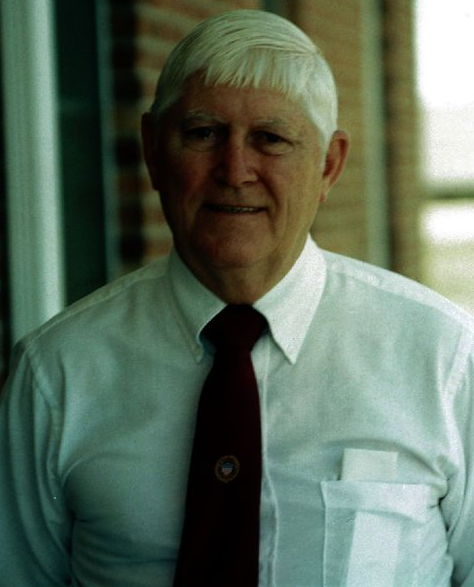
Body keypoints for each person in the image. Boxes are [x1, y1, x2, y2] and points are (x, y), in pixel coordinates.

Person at [1, 8, 473, 587]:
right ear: (152, 150)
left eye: (270, 139)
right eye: (203, 133)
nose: (235, 170)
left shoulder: (442, 357)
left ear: (329, 165)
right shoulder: (55, 373)